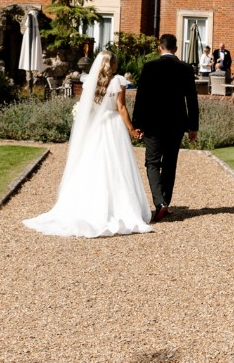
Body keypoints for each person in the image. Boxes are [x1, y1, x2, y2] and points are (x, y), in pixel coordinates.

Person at [24, 51, 152, 238]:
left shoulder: (91, 82)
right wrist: (132, 128)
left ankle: (89, 203)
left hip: (97, 127)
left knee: (94, 163)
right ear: (113, 65)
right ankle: (120, 205)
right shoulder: (117, 81)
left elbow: (88, 108)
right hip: (114, 126)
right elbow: (121, 107)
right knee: (117, 165)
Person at [133, 33, 199, 221]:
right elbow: (192, 100)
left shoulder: (149, 67)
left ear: (159, 48)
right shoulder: (185, 69)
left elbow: (141, 98)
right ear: (176, 49)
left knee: (152, 163)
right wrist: (193, 126)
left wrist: (137, 123)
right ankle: (165, 202)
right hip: (176, 123)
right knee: (170, 163)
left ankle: (159, 202)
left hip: (152, 123)